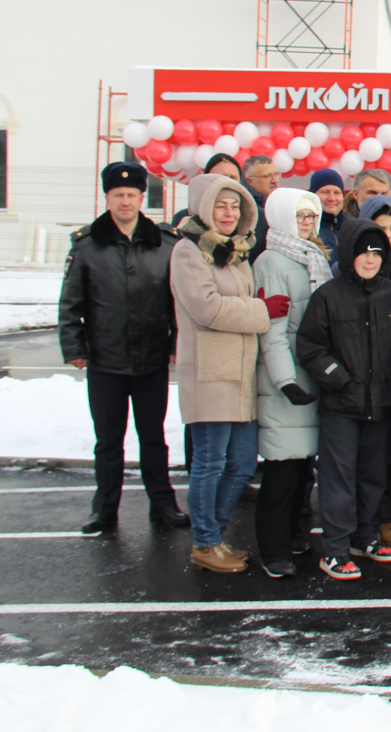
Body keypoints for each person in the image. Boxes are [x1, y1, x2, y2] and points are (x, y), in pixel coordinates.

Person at [59, 162, 185, 535]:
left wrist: (177, 342)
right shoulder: (87, 246)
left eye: (131, 195)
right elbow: (70, 305)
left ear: (142, 197)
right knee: (109, 441)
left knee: (153, 438)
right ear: (107, 197)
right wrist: (74, 348)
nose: (125, 202)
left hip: (151, 358)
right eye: (118, 195)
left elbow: (175, 302)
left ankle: (163, 505)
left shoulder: (165, 244)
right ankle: (104, 510)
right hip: (105, 360)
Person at [170, 174, 279, 574]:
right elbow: (208, 309)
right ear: (204, 208)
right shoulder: (188, 252)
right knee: (211, 462)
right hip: (212, 374)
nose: (229, 214)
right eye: (221, 206)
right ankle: (205, 542)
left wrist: (258, 310)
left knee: (241, 464)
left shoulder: (235, 252)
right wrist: (264, 312)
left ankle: (213, 533)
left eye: (235, 206)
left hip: (241, 373)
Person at [296, 219, 391, 580]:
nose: (370, 258)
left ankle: (365, 536)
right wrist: (341, 380)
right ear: (349, 253)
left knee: (372, 476)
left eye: (377, 252)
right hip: (342, 407)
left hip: (381, 406)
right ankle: (334, 548)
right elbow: (311, 347)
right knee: (338, 478)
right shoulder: (328, 296)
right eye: (363, 251)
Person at [252, 187, 331, 578]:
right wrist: (285, 381)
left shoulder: (312, 257)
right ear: (282, 217)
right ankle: (273, 548)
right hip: (287, 383)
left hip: (313, 377)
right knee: (282, 471)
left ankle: (295, 536)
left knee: (303, 471)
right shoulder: (272, 261)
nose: (307, 223)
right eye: (300, 216)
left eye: (311, 217)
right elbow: (273, 331)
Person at [172, 153, 242, 226]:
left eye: (232, 178)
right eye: (221, 178)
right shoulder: (185, 218)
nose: (227, 183)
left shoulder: (249, 218)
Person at [241, 154, 280, 264]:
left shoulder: (278, 203)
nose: (274, 180)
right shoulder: (245, 209)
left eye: (276, 174)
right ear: (249, 181)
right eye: (267, 176)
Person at [310, 169, 347, 265]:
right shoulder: (308, 228)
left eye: (337, 193)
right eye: (325, 192)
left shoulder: (352, 227)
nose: (331, 198)